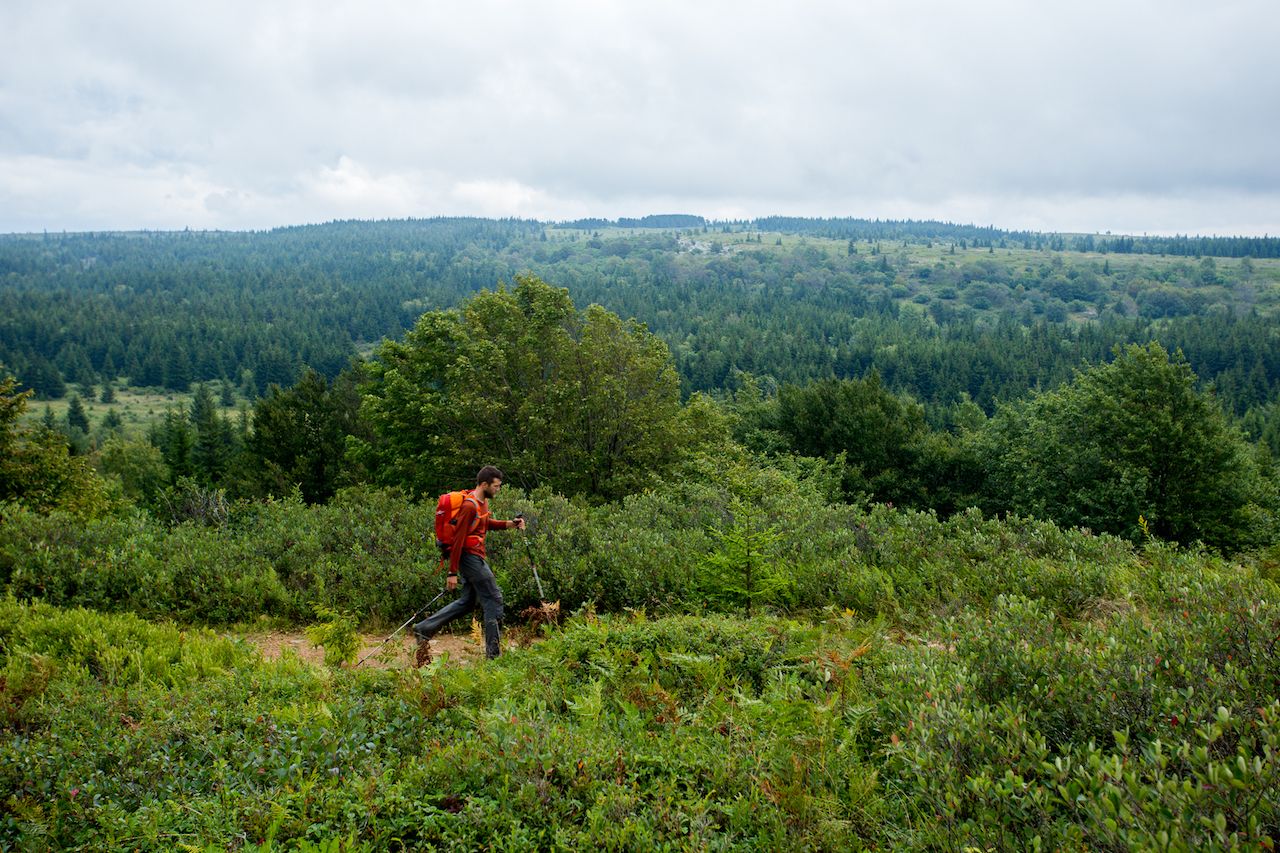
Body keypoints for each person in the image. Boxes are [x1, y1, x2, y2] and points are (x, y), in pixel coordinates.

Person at [413, 465, 525, 664]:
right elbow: (458, 540)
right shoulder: (469, 506)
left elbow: (485, 523)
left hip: (474, 556)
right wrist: (452, 572)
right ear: (484, 484)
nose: (498, 489)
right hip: (469, 557)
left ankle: (424, 629)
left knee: (467, 602)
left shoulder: (481, 503)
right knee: (493, 598)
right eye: (496, 486)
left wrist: (510, 523)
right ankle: (494, 657)